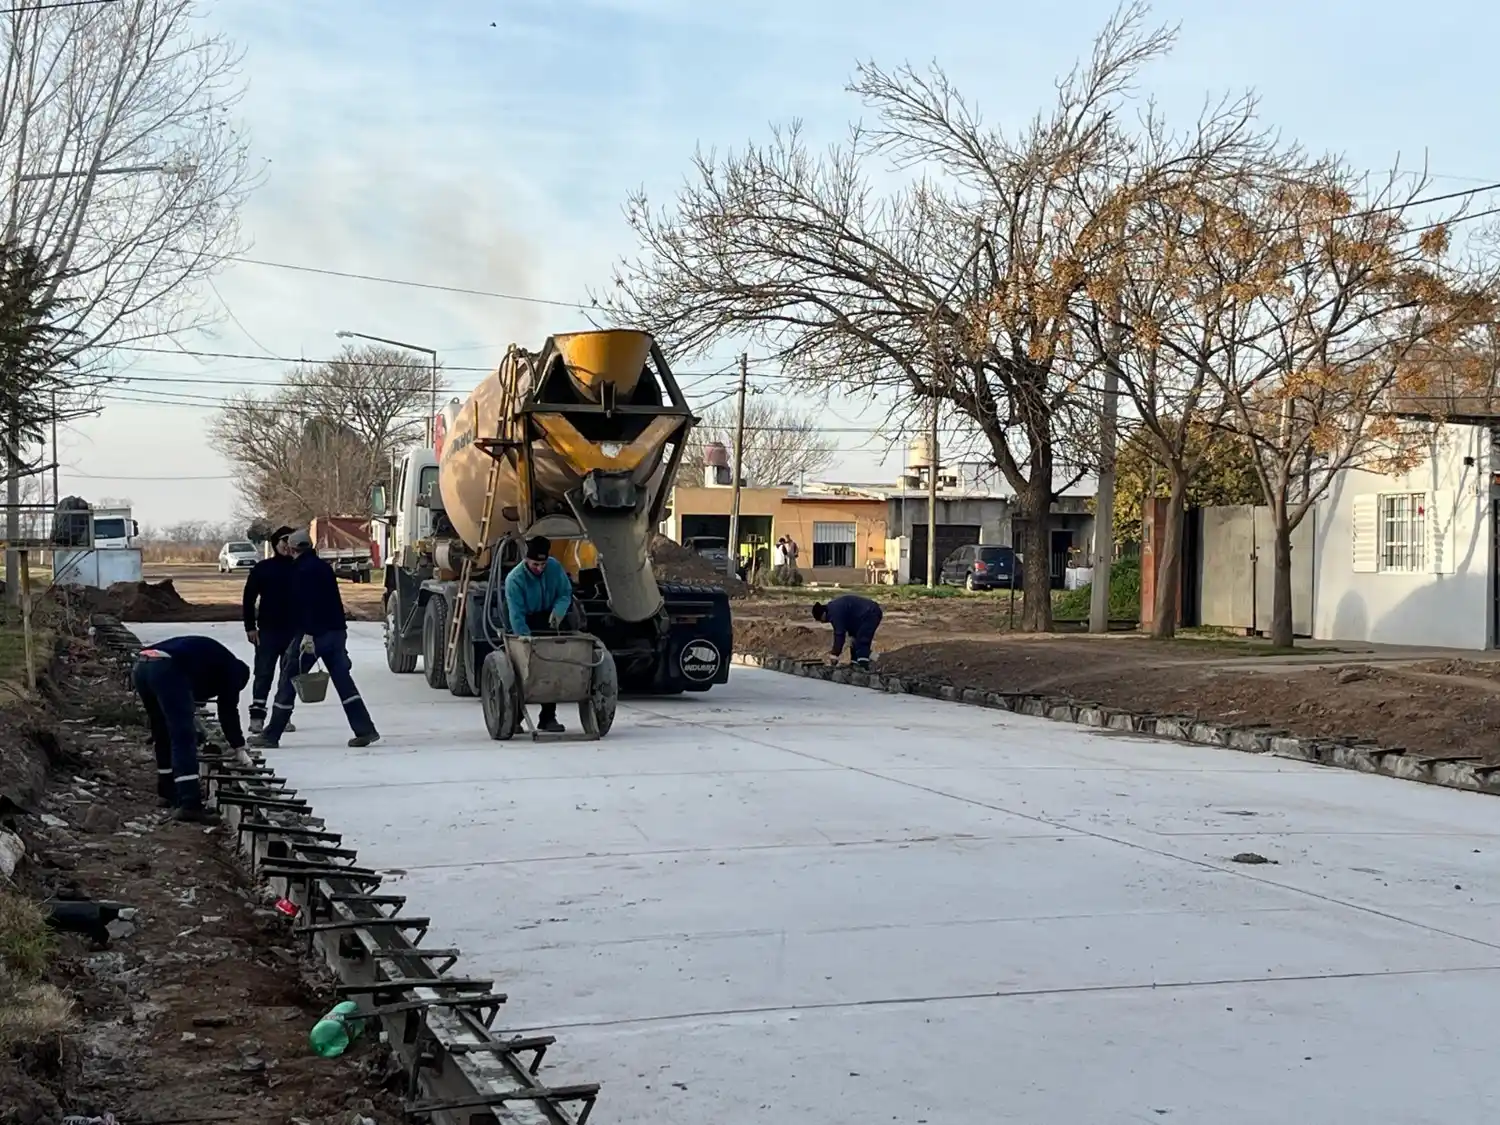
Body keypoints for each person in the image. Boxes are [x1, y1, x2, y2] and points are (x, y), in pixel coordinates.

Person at [250, 529, 380, 749]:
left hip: (313, 635)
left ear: (292, 549)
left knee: (289, 679)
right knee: (343, 682)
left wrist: (307, 634)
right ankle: (365, 729)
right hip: (336, 632)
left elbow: (307, 605)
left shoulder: (301, 571)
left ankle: (271, 735)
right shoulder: (323, 568)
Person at [132, 635, 250, 822]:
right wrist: (238, 746)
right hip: (166, 668)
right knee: (183, 736)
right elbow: (227, 709)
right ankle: (189, 804)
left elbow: (193, 694)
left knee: (161, 731)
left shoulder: (210, 659)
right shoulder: (233, 671)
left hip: (142, 665)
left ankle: (167, 792)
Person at [503, 535, 574, 734]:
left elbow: (565, 592)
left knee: (550, 667)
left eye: (543, 564)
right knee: (522, 670)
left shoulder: (554, 568)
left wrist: (559, 612)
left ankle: (548, 717)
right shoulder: (514, 580)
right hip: (524, 620)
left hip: (549, 618)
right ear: (526, 560)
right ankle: (516, 717)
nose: (540, 568)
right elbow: (516, 614)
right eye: (535, 564)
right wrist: (524, 638)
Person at [241, 525, 299, 736]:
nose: (286, 545)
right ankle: (257, 718)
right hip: (267, 631)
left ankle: (283, 717)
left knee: (288, 675)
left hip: (294, 631)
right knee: (264, 674)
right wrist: (250, 627)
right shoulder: (263, 569)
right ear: (275, 544)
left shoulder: (300, 567)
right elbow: (248, 599)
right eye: (283, 541)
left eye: (290, 541)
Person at [812, 593, 883, 670]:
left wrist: (835, 654)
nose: (822, 622)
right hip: (862, 616)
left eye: (821, 620)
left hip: (870, 614)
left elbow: (839, 634)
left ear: (823, 614)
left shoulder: (834, 613)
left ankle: (865, 668)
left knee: (861, 642)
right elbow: (849, 623)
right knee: (854, 642)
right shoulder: (834, 609)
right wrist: (851, 636)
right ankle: (855, 665)